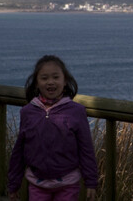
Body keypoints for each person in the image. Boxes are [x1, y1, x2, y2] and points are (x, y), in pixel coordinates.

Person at [8, 55, 98, 201]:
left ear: (65, 81)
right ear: (36, 83)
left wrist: (91, 182)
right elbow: (19, 151)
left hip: (68, 183)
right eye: (44, 78)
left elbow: (86, 149)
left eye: (56, 77)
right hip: (37, 183)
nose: (50, 82)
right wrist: (14, 184)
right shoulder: (28, 112)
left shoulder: (76, 111)